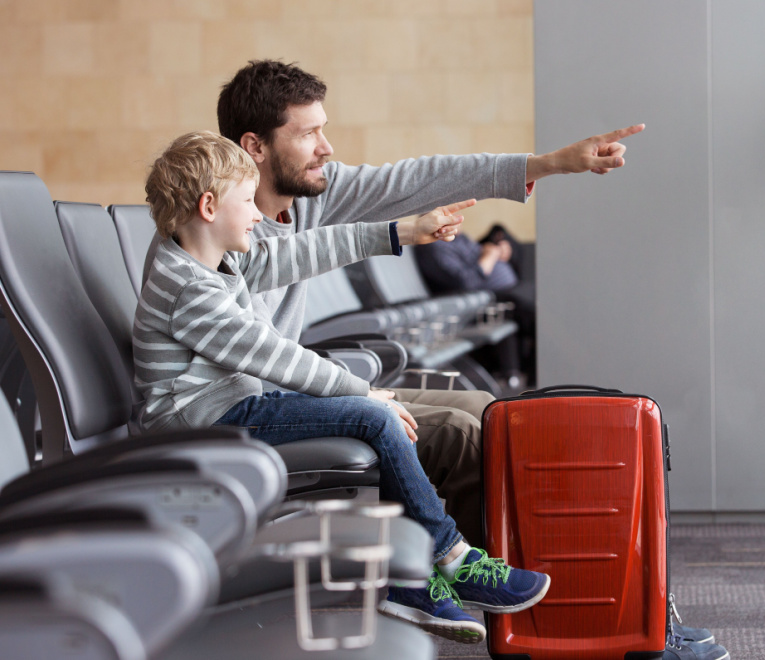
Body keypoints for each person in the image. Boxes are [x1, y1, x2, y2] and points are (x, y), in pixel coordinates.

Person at [191, 59, 645, 550]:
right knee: (463, 434)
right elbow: (260, 361)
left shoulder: (310, 198)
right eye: (308, 135)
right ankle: (500, 596)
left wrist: (548, 164)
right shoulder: (217, 238)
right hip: (269, 406)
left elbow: (418, 178)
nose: (327, 148)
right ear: (254, 146)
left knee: (490, 411)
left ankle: (540, 580)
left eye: (324, 130)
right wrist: (357, 390)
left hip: (307, 387)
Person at [133, 131, 549, 643]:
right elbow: (273, 356)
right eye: (248, 202)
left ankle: (410, 574)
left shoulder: (216, 258)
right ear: (209, 205)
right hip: (203, 427)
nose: (259, 215)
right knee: (371, 414)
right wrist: (361, 391)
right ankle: (450, 558)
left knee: (370, 412)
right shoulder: (189, 290)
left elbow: (301, 252)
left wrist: (396, 233)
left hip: (231, 409)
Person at [415, 228, 537, 386]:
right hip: (490, 297)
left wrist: (497, 251)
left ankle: (529, 379)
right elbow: (466, 283)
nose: (459, 219)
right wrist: (489, 256)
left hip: (507, 292)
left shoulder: (459, 238)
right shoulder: (435, 246)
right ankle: (535, 380)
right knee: (540, 318)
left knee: (539, 308)